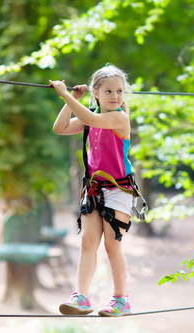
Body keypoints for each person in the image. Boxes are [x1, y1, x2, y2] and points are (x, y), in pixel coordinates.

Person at [49, 64, 134, 317]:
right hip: (94, 189)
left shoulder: (119, 118)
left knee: (112, 244)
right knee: (87, 242)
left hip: (119, 189)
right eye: (108, 91)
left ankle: (120, 300)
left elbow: (91, 119)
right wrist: (71, 100)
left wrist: (64, 94)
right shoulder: (91, 116)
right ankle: (82, 297)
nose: (115, 96)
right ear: (95, 93)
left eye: (119, 91)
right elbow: (60, 128)